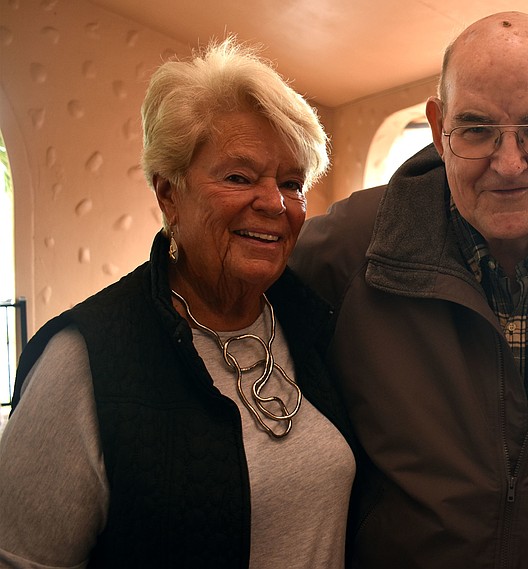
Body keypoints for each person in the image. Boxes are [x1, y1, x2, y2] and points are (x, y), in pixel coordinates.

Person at [287, 11, 528, 568]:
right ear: (438, 127)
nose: (509, 165)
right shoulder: (356, 244)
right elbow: (218, 289)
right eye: (477, 130)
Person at [0, 38, 356, 569]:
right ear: (169, 193)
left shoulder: (313, 324)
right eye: (238, 176)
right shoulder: (86, 360)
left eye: (291, 183)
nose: (274, 204)